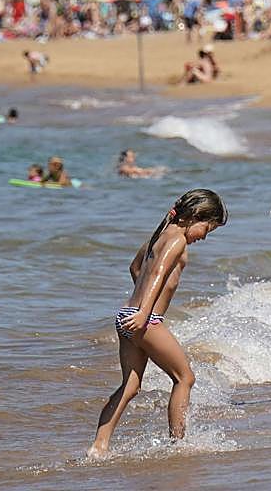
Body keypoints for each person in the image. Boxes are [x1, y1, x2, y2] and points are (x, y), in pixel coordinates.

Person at [87, 189, 227, 458]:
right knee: (185, 378)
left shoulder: (158, 236)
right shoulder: (177, 241)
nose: (205, 237)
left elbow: (135, 268)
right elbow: (158, 273)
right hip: (144, 320)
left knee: (130, 385)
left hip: (126, 314)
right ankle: (179, 444)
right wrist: (145, 311)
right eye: (206, 229)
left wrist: (138, 303)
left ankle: (99, 446)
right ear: (196, 216)